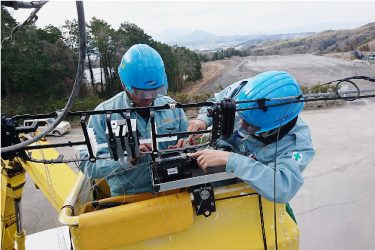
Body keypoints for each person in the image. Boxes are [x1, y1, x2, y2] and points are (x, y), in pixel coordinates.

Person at [187, 71, 315, 203]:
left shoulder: (298, 146)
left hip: (247, 196)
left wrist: (231, 160)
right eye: (240, 116)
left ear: (274, 127)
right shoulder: (246, 91)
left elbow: (283, 188)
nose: (241, 124)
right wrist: (203, 120)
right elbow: (217, 102)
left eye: (250, 125)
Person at [79, 44, 188, 197]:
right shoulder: (103, 115)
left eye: (156, 91)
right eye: (142, 93)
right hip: (128, 198)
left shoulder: (173, 108)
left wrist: (185, 146)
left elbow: (189, 139)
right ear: (125, 85)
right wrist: (124, 160)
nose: (150, 98)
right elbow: (86, 164)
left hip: (173, 190)